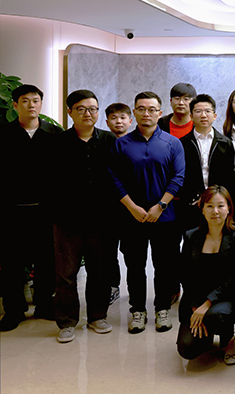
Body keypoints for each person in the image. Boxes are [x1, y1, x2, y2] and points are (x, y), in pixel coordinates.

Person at [109, 91, 185, 334]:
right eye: (141, 109)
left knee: (164, 266)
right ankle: (137, 311)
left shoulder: (173, 143)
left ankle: (162, 309)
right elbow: (114, 178)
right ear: (134, 112)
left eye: (152, 109)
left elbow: (178, 176)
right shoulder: (121, 144)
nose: (146, 113)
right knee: (135, 266)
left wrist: (160, 206)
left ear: (160, 113)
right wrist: (132, 207)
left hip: (165, 216)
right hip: (132, 217)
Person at [52, 90, 116, 343]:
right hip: (68, 220)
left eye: (93, 109)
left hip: (102, 220)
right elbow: (50, 181)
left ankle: (97, 316)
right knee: (66, 275)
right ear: (70, 112)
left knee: (99, 271)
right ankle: (67, 322)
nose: (88, 113)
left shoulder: (109, 141)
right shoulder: (58, 142)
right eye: (81, 109)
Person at [0, 84, 63, 331]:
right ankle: (14, 310)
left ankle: (44, 304)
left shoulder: (54, 134)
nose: (31, 105)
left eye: (35, 100)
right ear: (15, 105)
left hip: (46, 210)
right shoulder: (4, 134)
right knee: (12, 262)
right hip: (11, 210)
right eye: (25, 101)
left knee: (46, 260)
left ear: (41, 104)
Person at [176, 186, 235, 365]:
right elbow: (185, 274)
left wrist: (207, 304)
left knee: (217, 316)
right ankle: (207, 332)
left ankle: (228, 339)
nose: (215, 211)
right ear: (202, 209)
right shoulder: (191, 236)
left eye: (220, 206)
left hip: (228, 297)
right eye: (209, 206)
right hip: (196, 299)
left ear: (229, 209)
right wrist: (196, 307)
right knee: (187, 349)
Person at [178, 94, 235, 231]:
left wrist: (218, 199)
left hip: (217, 205)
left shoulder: (225, 143)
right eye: (198, 111)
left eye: (207, 111)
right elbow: (180, 175)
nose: (203, 115)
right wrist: (194, 198)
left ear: (214, 116)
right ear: (191, 116)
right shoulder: (182, 144)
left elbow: (229, 177)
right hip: (191, 204)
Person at [104, 102, 133, 305]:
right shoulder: (102, 143)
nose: (118, 121)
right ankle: (112, 287)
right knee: (107, 252)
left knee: (131, 253)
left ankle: (134, 289)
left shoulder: (136, 144)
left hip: (131, 208)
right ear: (107, 122)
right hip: (107, 208)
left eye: (122, 117)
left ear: (130, 121)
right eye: (114, 118)